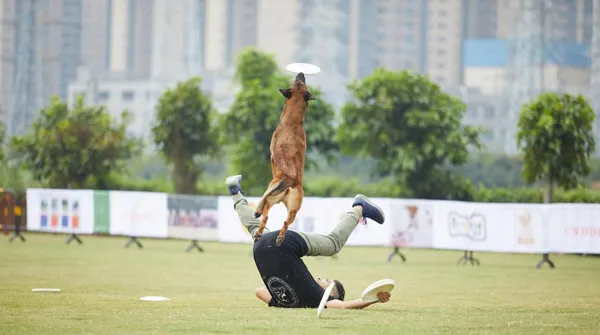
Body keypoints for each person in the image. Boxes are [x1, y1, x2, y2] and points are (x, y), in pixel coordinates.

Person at [226, 174, 392, 309]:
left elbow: (259, 291)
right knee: (255, 229)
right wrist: (374, 299)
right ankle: (359, 209)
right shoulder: (306, 298)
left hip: (269, 247)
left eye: (327, 281)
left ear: (331, 295)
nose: (321, 278)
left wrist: (284, 299)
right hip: (266, 250)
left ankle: (236, 193)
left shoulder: (319, 298)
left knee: (333, 244)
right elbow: (261, 292)